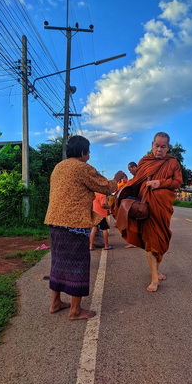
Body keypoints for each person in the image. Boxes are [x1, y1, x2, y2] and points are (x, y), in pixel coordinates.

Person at [44, 135, 124, 320]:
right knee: (78, 264)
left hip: (54, 221)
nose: (89, 155)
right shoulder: (82, 168)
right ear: (83, 152)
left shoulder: (58, 167)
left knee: (58, 263)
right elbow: (105, 186)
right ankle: (75, 310)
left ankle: (55, 303)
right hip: (74, 223)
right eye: (88, 151)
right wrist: (117, 178)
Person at [116, 132, 183, 292]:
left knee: (161, 239)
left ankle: (157, 270)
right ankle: (154, 278)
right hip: (147, 209)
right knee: (150, 240)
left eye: (163, 146)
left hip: (163, 208)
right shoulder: (144, 162)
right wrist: (119, 190)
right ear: (152, 145)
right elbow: (136, 181)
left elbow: (177, 182)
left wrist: (159, 183)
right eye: (157, 146)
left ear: (168, 147)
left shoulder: (173, 163)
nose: (159, 149)